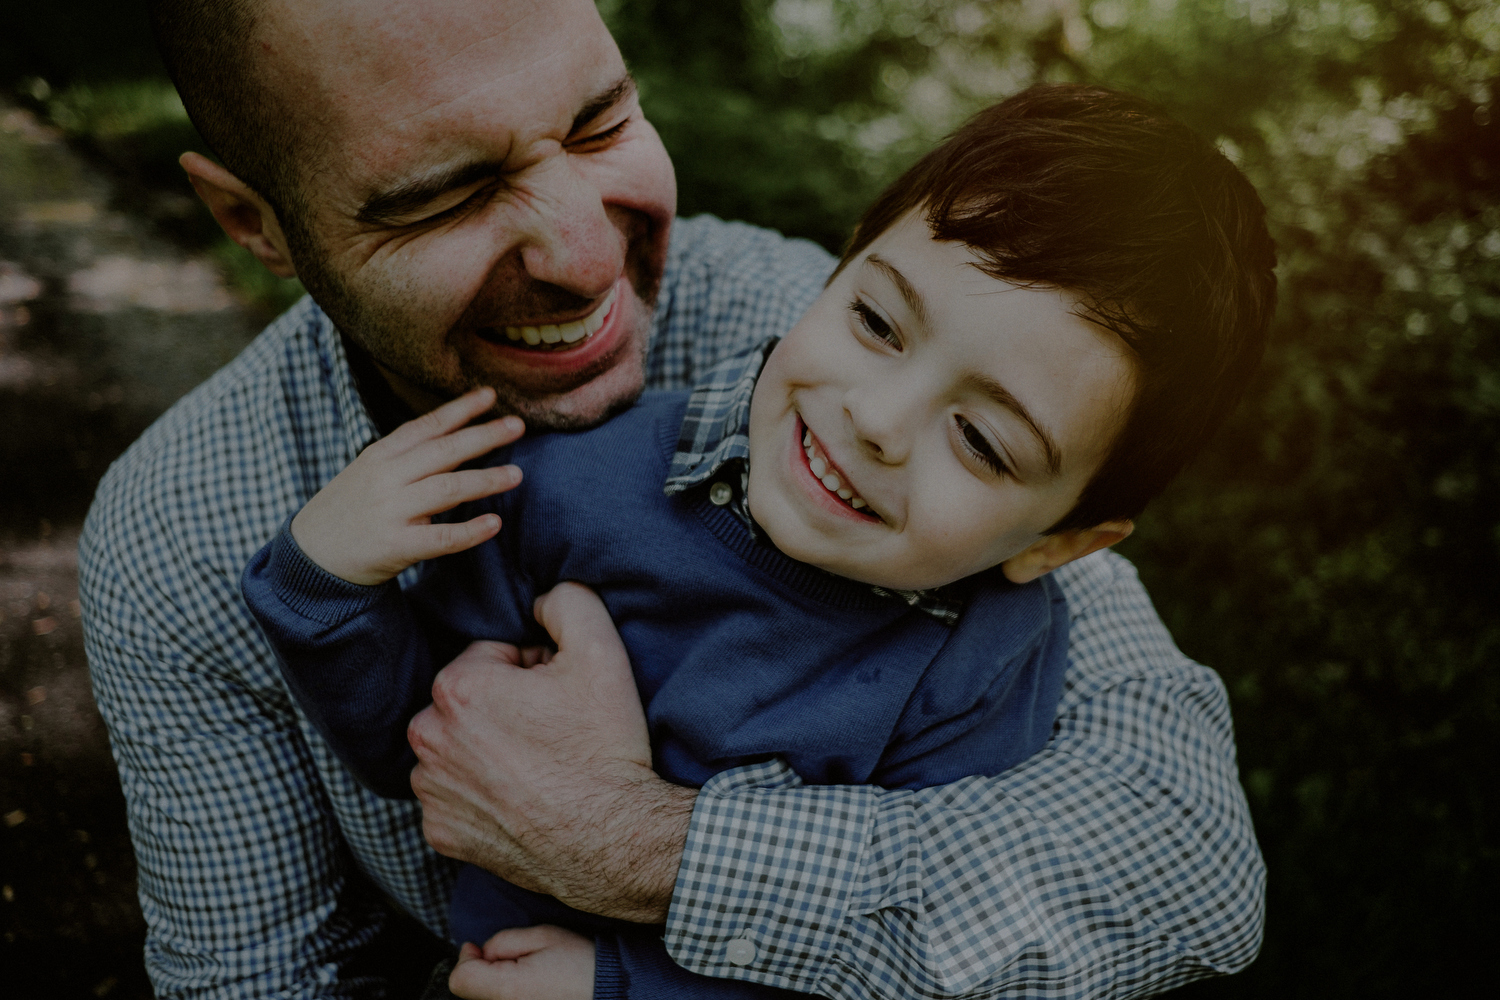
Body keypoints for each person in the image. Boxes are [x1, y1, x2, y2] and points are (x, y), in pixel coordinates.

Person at [78, 0, 1268, 997]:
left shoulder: (793, 330)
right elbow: (259, 977)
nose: (591, 264)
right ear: (252, 222)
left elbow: (1180, 863)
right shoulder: (177, 532)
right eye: (443, 194)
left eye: (600, 123)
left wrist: (632, 847)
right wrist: (322, 587)